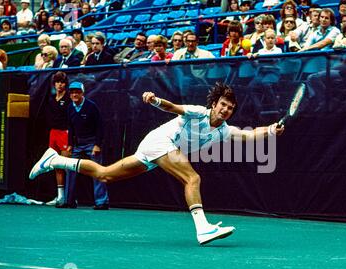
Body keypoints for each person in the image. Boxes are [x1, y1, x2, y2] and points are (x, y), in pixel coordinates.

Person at [29, 82, 285, 245]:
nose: (226, 110)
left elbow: (250, 134)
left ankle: (55, 159)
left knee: (106, 175)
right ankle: (202, 228)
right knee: (192, 178)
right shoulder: (198, 112)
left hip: (154, 149)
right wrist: (155, 100)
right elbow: (173, 107)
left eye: (230, 108)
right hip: (161, 141)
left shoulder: (224, 130)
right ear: (214, 104)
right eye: (223, 105)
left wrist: (271, 130)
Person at [57, 81, 110, 210]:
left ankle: (102, 202)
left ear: (82, 93)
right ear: (70, 95)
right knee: (70, 170)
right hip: (77, 144)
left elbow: (100, 127)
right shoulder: (70, 108)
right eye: (72, 92)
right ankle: (69, 201)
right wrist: (70, 144)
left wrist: (97, 145)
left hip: (91, 143)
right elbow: (70, 126)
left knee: (97, 171)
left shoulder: (91, 106)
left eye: (77, 92)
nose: (74, 94)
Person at [45, 72, 70, 206]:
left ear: (66, 84)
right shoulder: (51, 99)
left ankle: (70, 197)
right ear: (54, 84)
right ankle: (60, 197)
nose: (60, 84)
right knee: (56, 165)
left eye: (62, 82)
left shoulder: (68, 98)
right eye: (57, 82)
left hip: (65, 134)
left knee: (66, 165)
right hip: (53, 133)